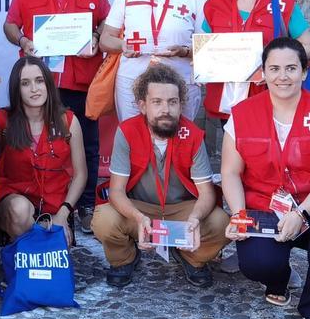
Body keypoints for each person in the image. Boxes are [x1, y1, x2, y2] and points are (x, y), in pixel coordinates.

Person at [221, 37, 310, 319]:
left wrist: (301, 213)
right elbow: (230, 172)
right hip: (264, 206)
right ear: (263, 73)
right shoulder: (241, 115)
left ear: (304, 72)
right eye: (274, 68)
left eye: (291, 68)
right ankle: (278, 278)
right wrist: (239, 214)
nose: (283, 76)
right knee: (256, 263)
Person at [4, 0, 109, 233]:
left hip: (81, 78)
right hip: (39, 81)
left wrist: (96, 35)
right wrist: (23, 41)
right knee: (32, 143)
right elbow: (10, 25)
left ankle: (86, 205)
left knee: (86, 143)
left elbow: (107, 23)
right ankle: (34, 202)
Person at [92, 64, 229, 289]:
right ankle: (124, 259)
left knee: (222, 223)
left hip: (181, 209)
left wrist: (194, 219)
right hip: (141, 207)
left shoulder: (192, 134)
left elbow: (206, 192)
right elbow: (116, 191)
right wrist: (137, 217)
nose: (166, 109)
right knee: (103, 218)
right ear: (142, 106)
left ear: (180, 105)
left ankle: (190, 258)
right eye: (157, 102)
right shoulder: (127, 131)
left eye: (172, 102)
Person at [201, 0, 310, 128]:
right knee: (234, 149)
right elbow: (203, 50)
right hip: (227, 99)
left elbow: (309, 47)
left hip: (270, 96)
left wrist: (274, 65)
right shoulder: (214, 6)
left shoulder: (282, 4)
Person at [99, 0, 207, 122]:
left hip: (180, 81)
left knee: (180, 138)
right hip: (133, 80)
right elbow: (106, 39)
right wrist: (123, 45)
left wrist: (184, 51)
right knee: (134, 137)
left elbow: (206, 47)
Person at [0, 56, 86, 245]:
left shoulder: (68, 121)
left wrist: (63, 214)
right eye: (25, 83)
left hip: (56, 206)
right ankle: (23, 248)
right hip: (15, 206)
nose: (34, 89)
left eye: (39, 81)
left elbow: (81, 175)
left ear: (48, 84)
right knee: (20, 209)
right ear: (17, 90)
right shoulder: (4, 118)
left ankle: (38, 242)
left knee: (54, 248)